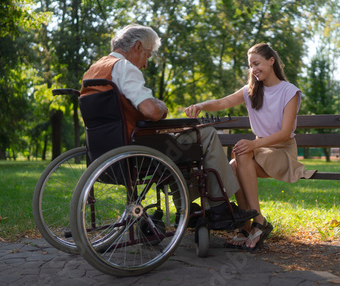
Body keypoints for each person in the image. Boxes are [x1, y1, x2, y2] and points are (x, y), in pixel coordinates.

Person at [80, 24, 257, 229]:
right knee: (204, 134)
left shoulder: (94, 70)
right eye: (147, 55)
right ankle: (218, 208)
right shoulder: (124, 67)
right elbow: (151, 111)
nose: (146, 64)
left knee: (178, 144)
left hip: (105, 151)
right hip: (137, 148)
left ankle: (187, 209)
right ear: (137, 46)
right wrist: (161, 106)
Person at [184, 43, 316, 251]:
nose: (253, 69)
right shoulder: (250, 91)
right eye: (250, 65)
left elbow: (283, 133)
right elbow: (221, 103)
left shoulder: (289, 91)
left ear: (271, 61)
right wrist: (201, 106)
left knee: (242, 154)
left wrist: (254, 144)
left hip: (282, 151)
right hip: (259, 151)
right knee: (235, 162)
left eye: (257, 63)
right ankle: (248, 225)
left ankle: (256, 221)